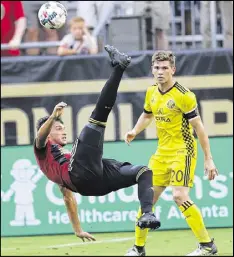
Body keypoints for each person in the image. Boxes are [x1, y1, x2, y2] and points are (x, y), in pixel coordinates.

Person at [34, 45, 161, 242]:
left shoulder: (59, 160)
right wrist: (52, 118)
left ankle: (147, 214)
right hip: (81, 174)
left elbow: (68, 198)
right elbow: (40, 137)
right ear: (49, 134)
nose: (64, 130)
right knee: (97, 118)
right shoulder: (42, 149)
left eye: (62, 127)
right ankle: (119, 67)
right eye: (58, 129)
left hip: (94, 183)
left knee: (143, 172)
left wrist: (78, 230)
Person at [124, 51, 219, 256]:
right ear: (152, 69)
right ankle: (138, 249)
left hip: (182, 151)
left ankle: (207, 246)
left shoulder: (184, 95)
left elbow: (199, 128)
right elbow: (147, 114)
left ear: (173, 70)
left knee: (179, 195)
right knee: (147, 200)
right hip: (161, 153)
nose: (160, 72)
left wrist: (208, 159)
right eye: (157, 68)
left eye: (165, 68)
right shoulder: (151, 92)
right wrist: (134, 130)